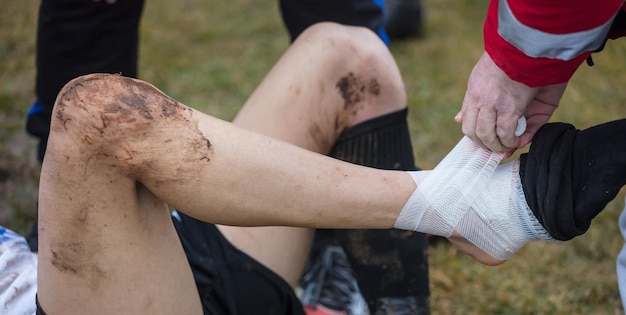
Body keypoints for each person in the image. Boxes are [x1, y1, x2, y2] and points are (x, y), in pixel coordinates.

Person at [34, 20, 626, 314]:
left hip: (179, 257)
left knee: (346, 54)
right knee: (99, 118)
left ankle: (445, 218)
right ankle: (454, 206)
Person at [27, 2, 430, 314]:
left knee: (350, 52)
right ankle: (437, 202)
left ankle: (373, 257)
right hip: (91, 296)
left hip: (189, 262)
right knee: (98, 114)